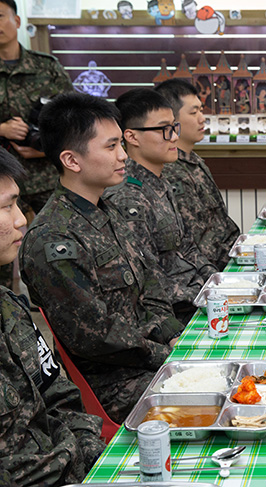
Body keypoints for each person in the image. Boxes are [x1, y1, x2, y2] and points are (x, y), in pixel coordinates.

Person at [19, 93, 184, 424]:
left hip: (153, 356)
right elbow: (95, 335)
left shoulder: (111, 210)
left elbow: (151, 280)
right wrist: (168, 354)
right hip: (116, 384)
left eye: (121, 144)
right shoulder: (53, 239)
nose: (124, 156)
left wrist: (173, 332)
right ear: (72, 160)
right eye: (111, 147)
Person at [0, 147, 106, 485]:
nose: (20, 219)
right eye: (6, 207)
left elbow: (60, 397)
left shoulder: (9, 307)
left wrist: (94, 460)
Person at [105, 88, 217, 323]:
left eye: (174, 128)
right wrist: (204, 295)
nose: (174, 137)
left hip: (197, 295)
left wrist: (218, 281)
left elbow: (188, 248)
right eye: (164, 130)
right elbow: (148, 283)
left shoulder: (159, 182)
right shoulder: (127, 198)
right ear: (132, 137)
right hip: (176, 313)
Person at [155, 79, 240, 271]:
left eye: (201, 110)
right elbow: (193, 243)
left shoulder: (193, 160)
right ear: (171, 121)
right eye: (194, 113)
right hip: (208, 271)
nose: (202, 118)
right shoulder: (170, 170)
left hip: (226, 258)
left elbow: (218, 223)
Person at [0, 0, 73, 214]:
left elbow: (72, 116)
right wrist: (2, 129)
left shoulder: (47, 67)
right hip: (3, 179)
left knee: (60, 239)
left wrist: (47, 148)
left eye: (0, 16)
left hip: (48, 176)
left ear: (17, 20)